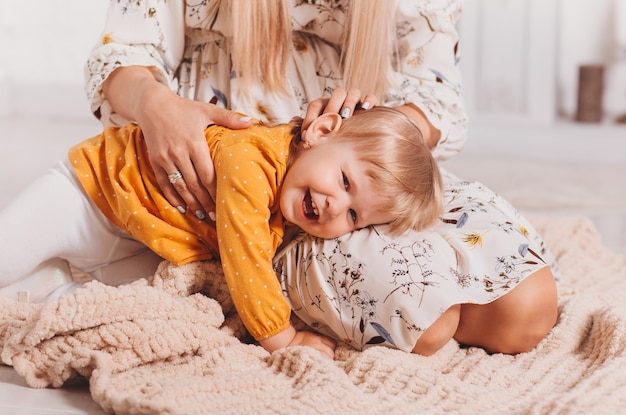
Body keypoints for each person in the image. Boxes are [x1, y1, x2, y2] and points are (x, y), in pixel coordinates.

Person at [83, 0, 558, 355]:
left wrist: (378, 137)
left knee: (528, 309)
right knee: (430, 322)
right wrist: (156, 106)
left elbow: (439, 95)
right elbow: (122, 49)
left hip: (367, 165)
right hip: (261, 190)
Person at [0, 107, 442, 358]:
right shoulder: (250, 159)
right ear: (321, 131)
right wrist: (280, 336)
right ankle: (35, 267)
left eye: (354, 217)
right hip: (92, 194)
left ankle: (45, 286)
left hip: (144, 240)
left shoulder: (295, 199)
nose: (335, 207)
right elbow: (244, 253)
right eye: (345, 183)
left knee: (119, 309)